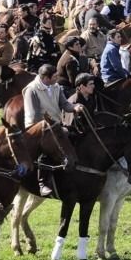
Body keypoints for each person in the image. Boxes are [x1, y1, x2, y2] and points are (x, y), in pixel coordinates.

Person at [23, 64, 85, 197]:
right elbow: (34, 115)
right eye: (55, 76)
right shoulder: (31, 90)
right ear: (46, 78)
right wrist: (49, 128)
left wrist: (74, 107)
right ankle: (42, 183)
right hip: (37, 128)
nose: (57, 77)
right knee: (46, 151)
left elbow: (64, 104)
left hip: (54, 126)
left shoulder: (56, 87)